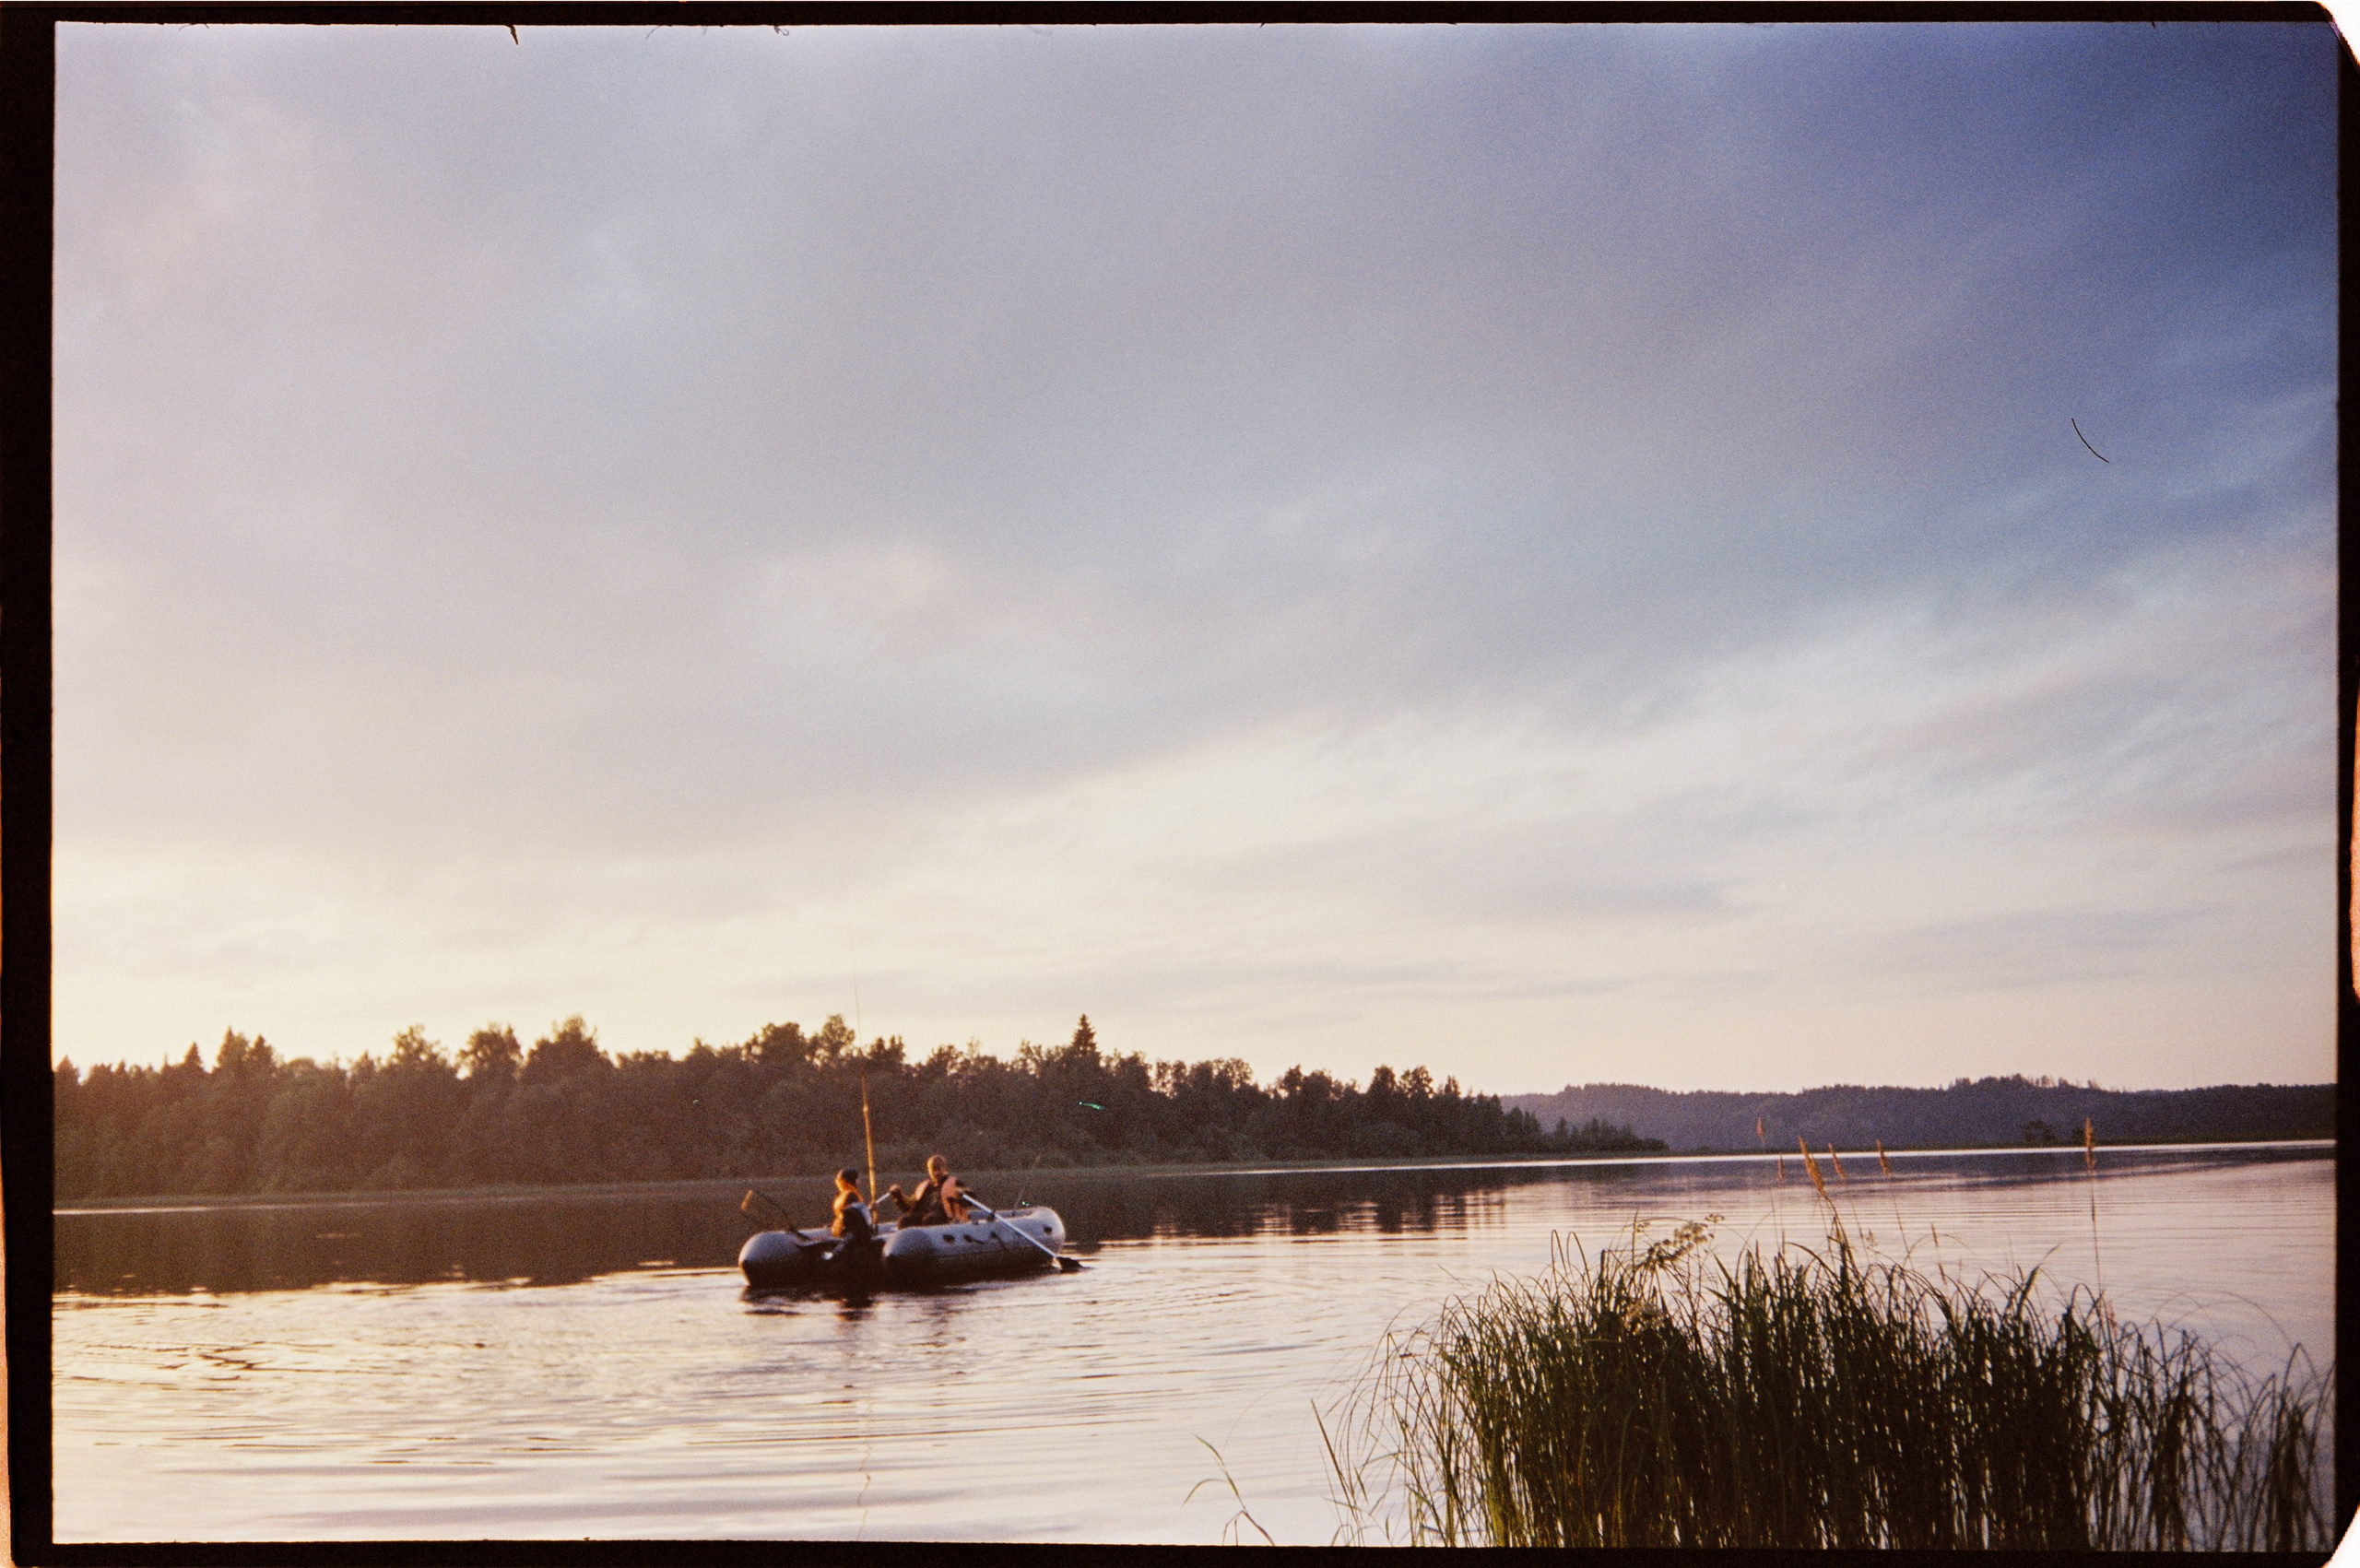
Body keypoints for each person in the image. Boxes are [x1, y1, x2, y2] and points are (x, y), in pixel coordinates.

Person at [884, 1154, 968, 1227]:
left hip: (945, 1217)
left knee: (929, 1219)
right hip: (925, 1216)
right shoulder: (924, 1186)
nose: (936, 1173)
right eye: (933, 1170)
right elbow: (910, 1204)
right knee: (903, 1221)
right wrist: (898, 1196)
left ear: (945, 1169)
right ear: (929, 1170)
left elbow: (970, 1197)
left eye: (939, 1169)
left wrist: (961, 1194)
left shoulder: (955, 1183)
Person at [829, 1167, 876, 1243]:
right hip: (848, 1232)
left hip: (838, 1228)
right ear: (852, 1180)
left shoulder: (840, 1196)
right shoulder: (851, 1196)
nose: (858, 1182)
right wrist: (870, 1209)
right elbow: (855, 1216)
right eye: (857, 1180)